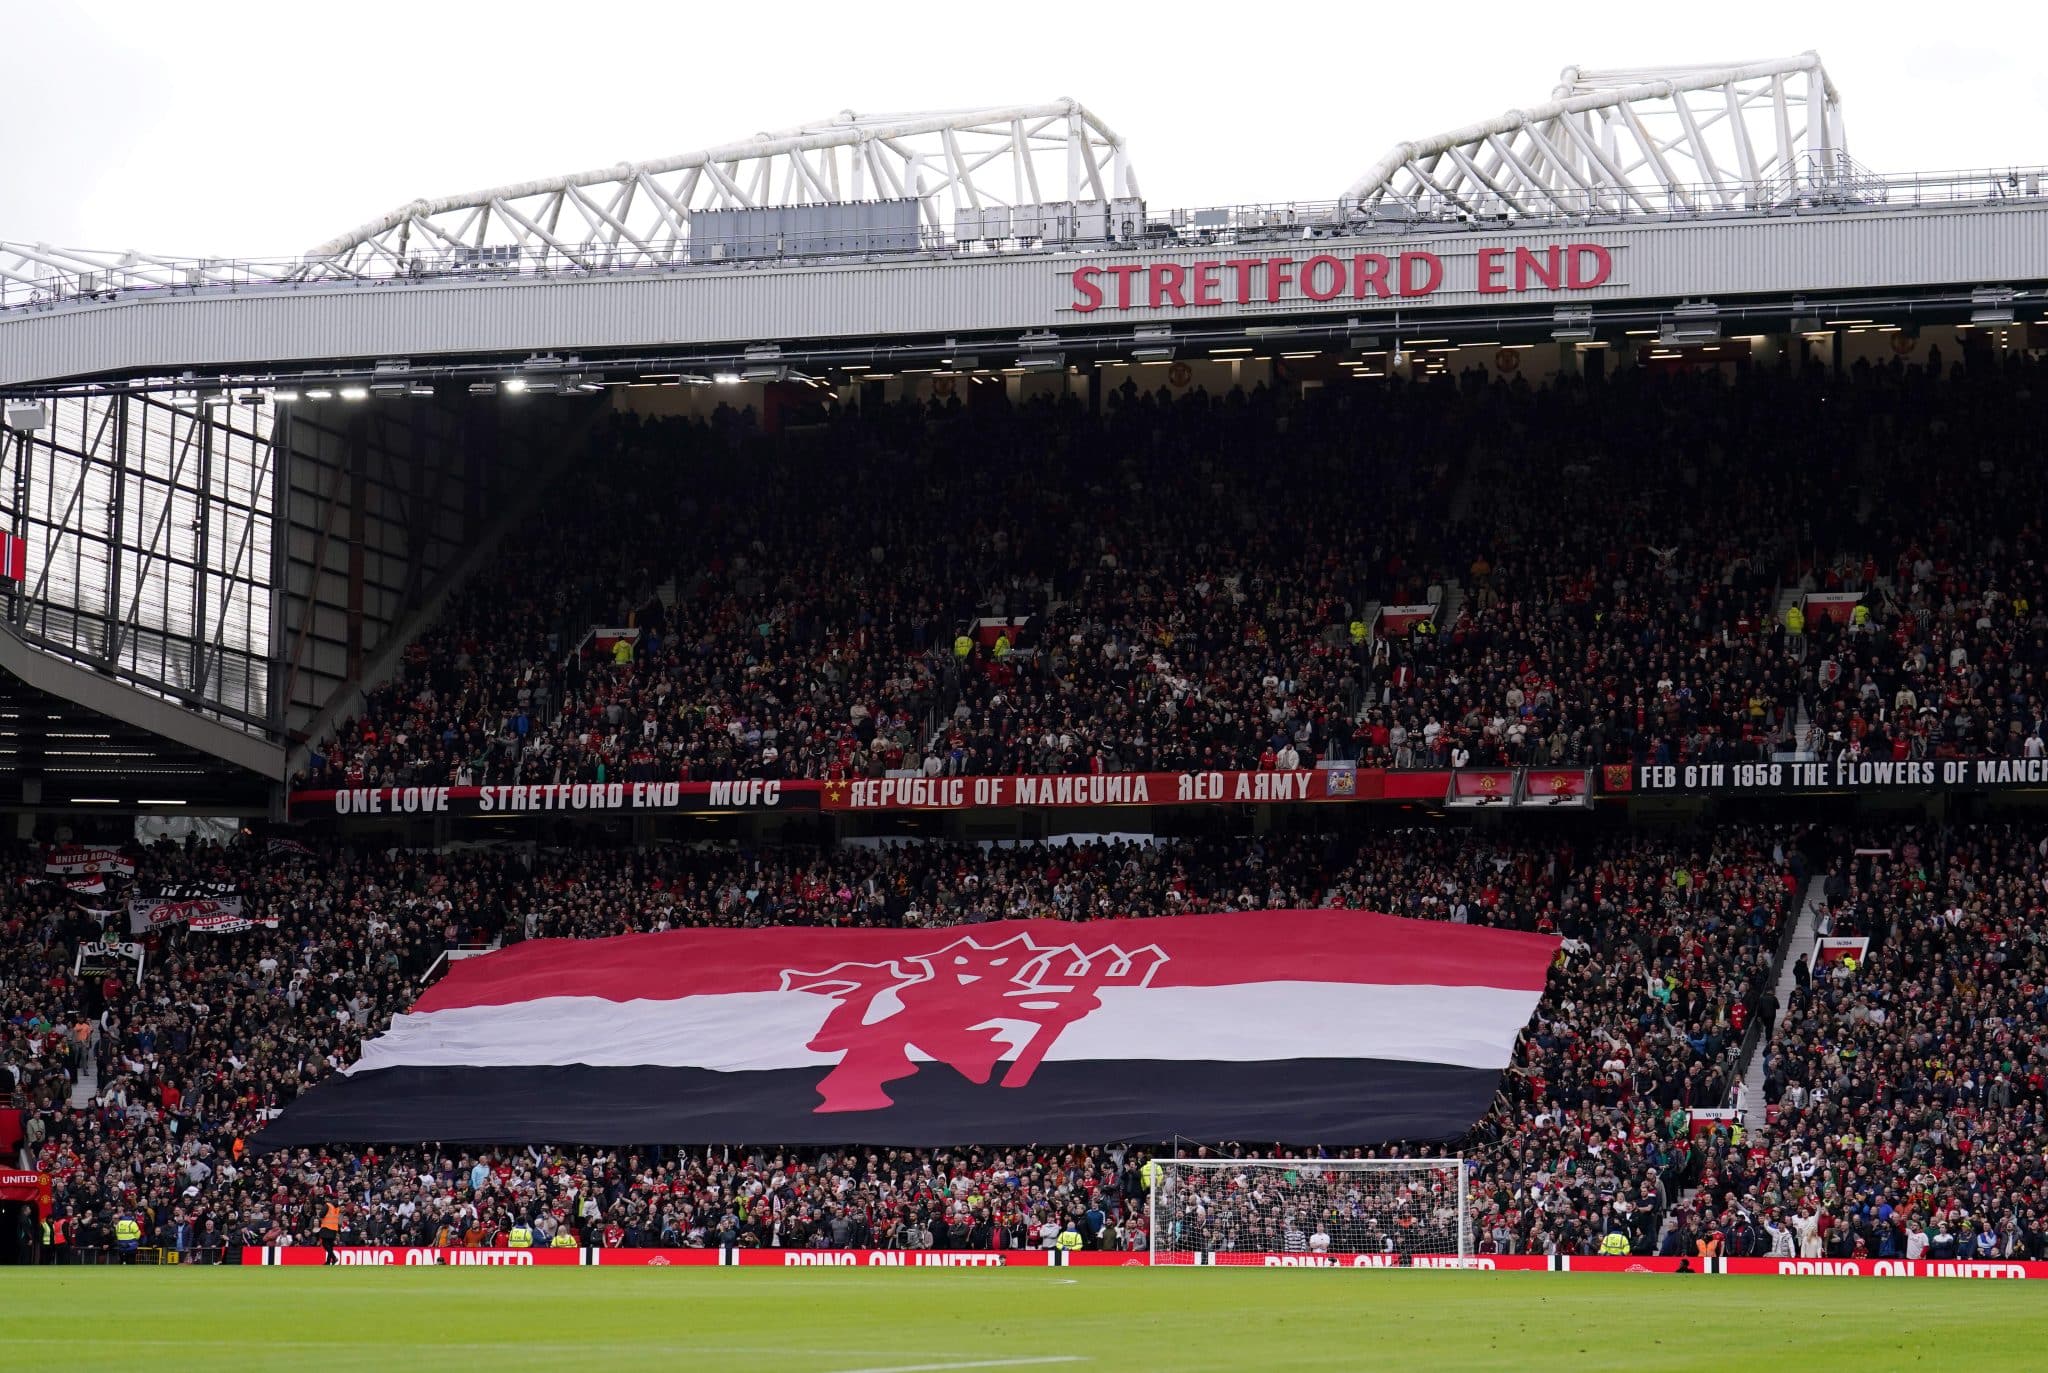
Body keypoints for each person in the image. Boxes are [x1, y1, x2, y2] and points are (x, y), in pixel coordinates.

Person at [319, 1200, 343, 1266]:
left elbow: (321, 1214)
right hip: (334, 1229)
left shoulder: (328, 1205)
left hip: (326, 1227)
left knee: (324, 1243)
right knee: (330, 1245)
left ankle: (334, 1258)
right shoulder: (337, 1208)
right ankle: (328, 1261)